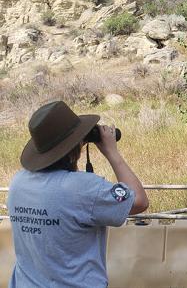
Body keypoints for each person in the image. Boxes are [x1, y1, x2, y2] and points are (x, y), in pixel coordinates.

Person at [7, 100, 149, 288]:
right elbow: (139, 201)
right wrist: (112, 152)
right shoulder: (84, 189)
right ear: (76, 147)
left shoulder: (18, 182)